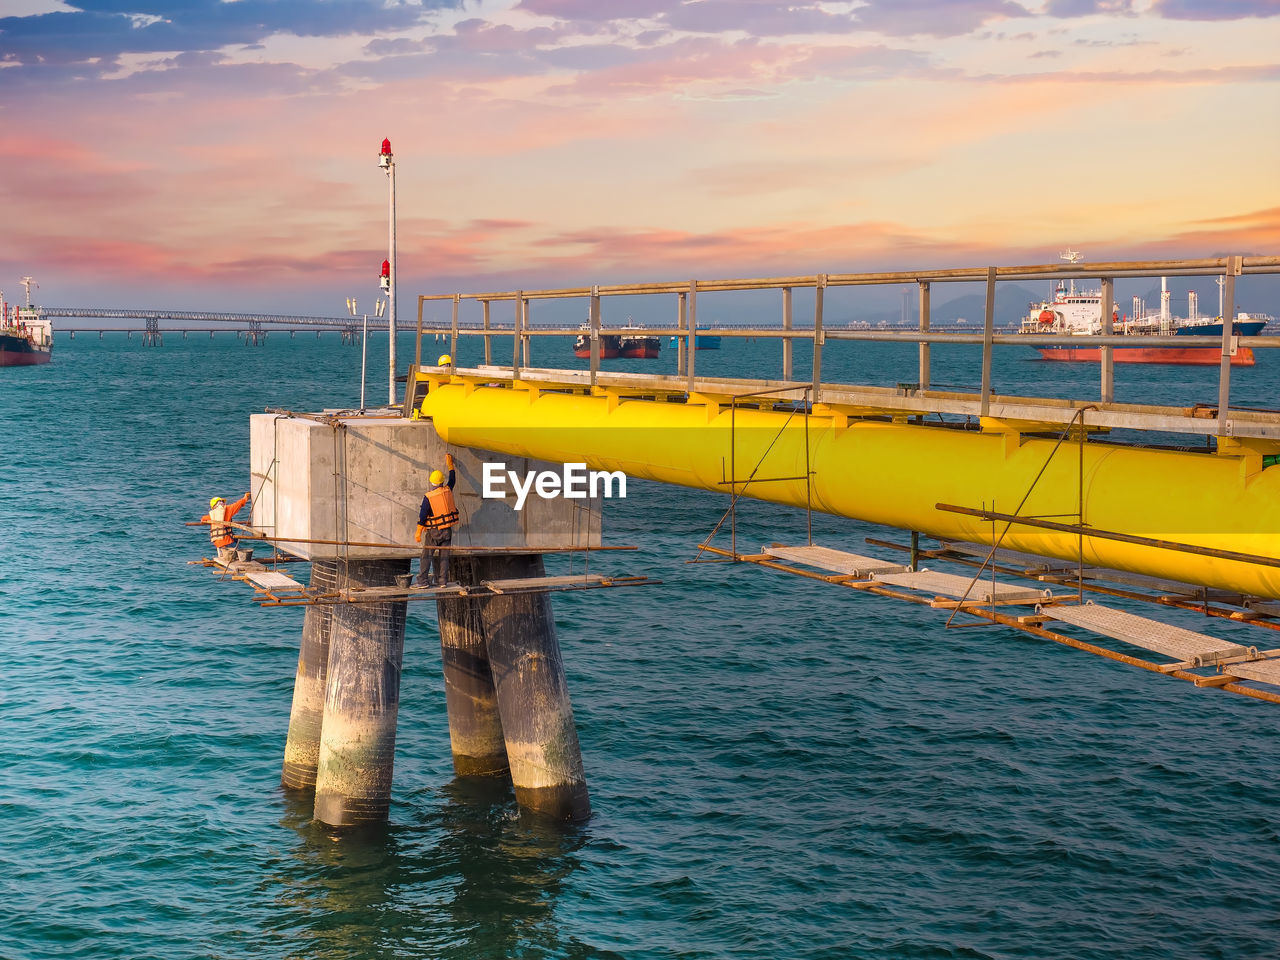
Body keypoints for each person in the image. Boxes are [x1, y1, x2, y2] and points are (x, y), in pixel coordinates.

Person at [416, 454, 459, 586]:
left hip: (434, 532)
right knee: (444, 557)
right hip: (447, 531)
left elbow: (423, 515)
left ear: (431, 482)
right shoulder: (447, 490)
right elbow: (452, 479)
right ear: (441, 482)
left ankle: (423, 581)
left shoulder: (429, 497)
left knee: (426, 556)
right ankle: (442, 581)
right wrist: (450, 465)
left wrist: (418, 531)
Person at [202, 492, 252, 563]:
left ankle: (223, 554)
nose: (223, 503)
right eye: (221, 501)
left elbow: (203, 518)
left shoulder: (211, 515)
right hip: (227, 541)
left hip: (218, 543)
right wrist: (245, 498)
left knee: (235, 539)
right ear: (220, 503)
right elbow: (238, 505)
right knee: (242, 554)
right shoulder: (227, 509)